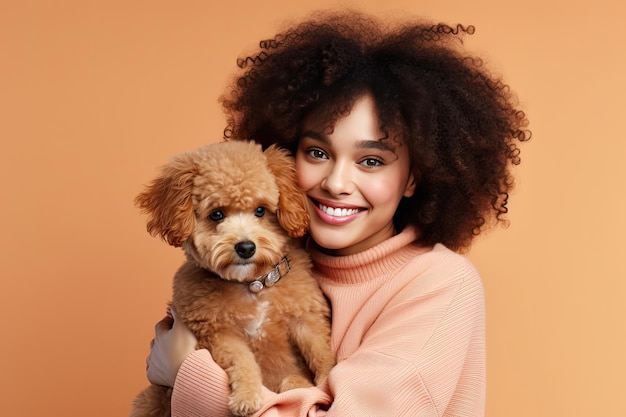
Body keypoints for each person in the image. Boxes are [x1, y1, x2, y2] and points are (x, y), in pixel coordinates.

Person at [144, 10, 530, 416]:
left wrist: (188, 372)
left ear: (414, 178)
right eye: (318, 152)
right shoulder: (270, 261)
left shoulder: (439, 284)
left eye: (371, 161)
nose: (336, 182)